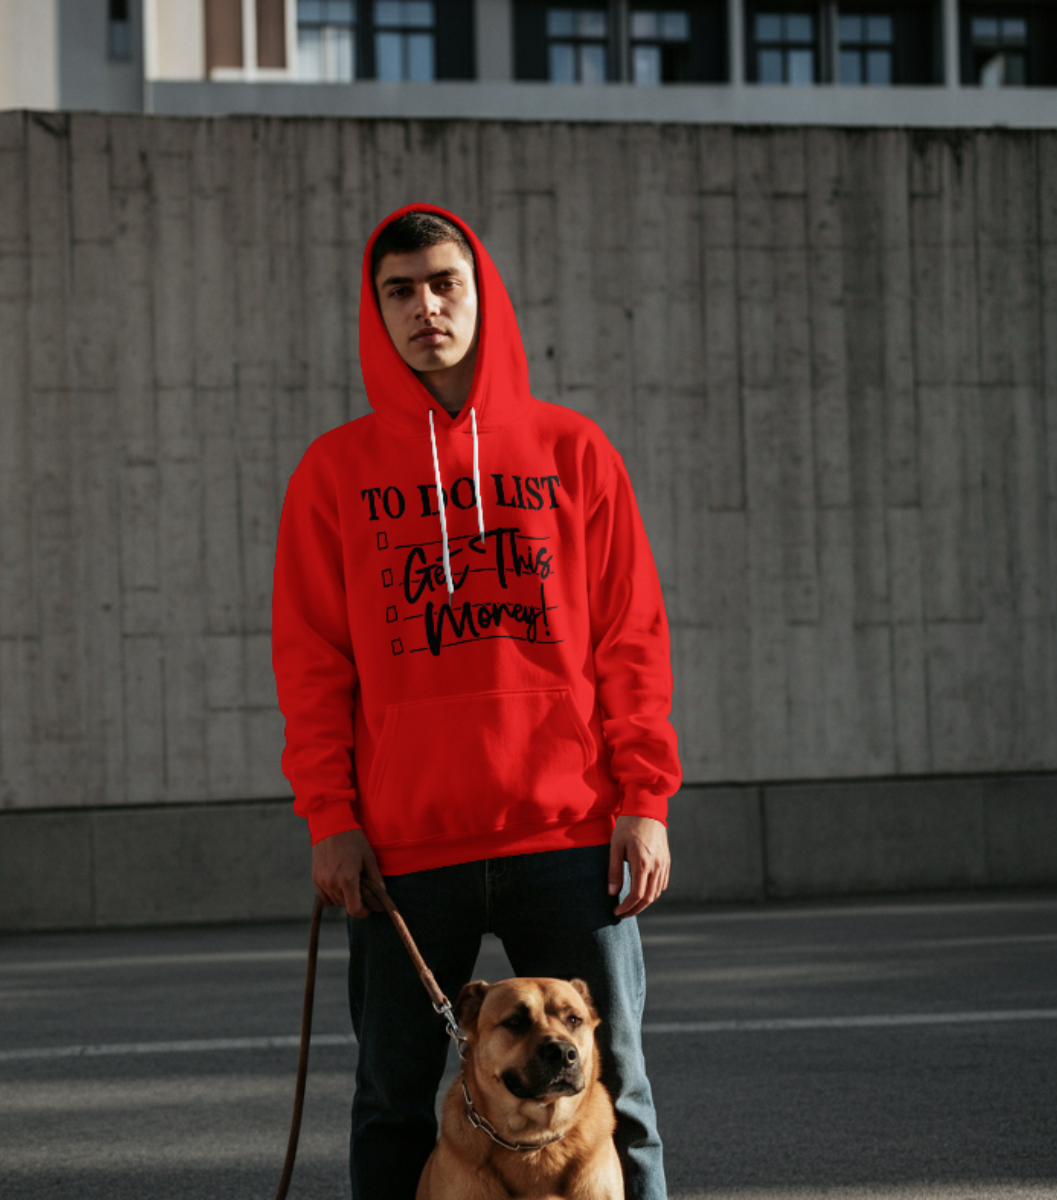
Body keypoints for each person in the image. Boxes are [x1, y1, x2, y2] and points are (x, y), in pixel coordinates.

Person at [272, 205, 681, 1200]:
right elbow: (313, 663)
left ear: (481, 292)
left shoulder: (572, 450)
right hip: (408, 849)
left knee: (616, 1095)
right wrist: (332, 817)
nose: (426, 309)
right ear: (376, 313)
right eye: (399, 292)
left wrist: (644, 800)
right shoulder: (336, 474)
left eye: (444, 283)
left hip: (569, 832)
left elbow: (630, 638)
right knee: (392, 1102)